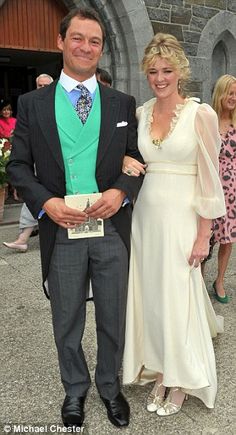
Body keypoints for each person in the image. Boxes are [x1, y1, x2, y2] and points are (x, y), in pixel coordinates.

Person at [7, 7, 143, 429]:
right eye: (78, 38)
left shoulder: (122, 102)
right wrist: (47, 203)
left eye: (95, 41)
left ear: (102, 49)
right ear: (62, 42)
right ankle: (74, 389)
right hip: (61, 227)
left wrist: (121, 190)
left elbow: (136, 158)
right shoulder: (32, 103)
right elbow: (18, 166)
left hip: (110, 228)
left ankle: (109, 385)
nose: (86, 47)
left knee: (112, 314)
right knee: (66, 316)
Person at [121, 33, 226, 416]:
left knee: (178, 298)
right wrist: (123, 163)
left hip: (183, 220)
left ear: (180, 71)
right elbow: (131, 158)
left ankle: (181, 380)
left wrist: (204, 235)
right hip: (146, 218)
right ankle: (162, 369)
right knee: (153, 298)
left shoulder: (202, 114)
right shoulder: (141, 113)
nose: (159, 78)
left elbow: (210, 179)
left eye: (166, 70)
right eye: (152, 71)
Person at [3, 73, 54, 252]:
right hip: (35, 164)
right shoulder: (29, 105)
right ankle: (23, 238)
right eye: (40, 86)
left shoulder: (62, 105)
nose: (43, 88)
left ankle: (23, 238)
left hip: (57, 167)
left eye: (46, 85)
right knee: (34, 197)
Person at [210, 75, 236, 303]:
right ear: (220, 93)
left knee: (227, 239)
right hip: (209, 184)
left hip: (232, 189)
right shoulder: (207, 119)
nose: (233, 98)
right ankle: (197, 278)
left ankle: (219, 280)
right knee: (206, 236)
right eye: (230, 93)